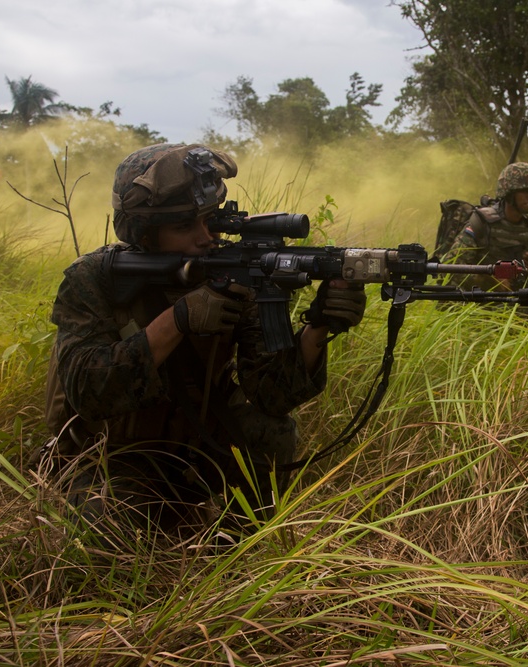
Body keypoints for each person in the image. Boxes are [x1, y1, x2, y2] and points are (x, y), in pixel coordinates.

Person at [44, 142, 367, 534]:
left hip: (199, 444)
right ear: (144, 233)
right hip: (112, 453)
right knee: (102, 534)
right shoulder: (94, 278)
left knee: (272, 431)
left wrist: (318, 329)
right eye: (184, 226)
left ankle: (238, 552)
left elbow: (273, 397)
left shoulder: (235, 273)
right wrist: (179, 319)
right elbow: (89, 392)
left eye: (211, 219)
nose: (206, 237)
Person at [444, 162, 528, 316]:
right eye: (526, 191)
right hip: (474, 308)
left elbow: (527, 283)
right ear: (509, 193)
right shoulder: (482, 223)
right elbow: (449, 269)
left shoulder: (527, 228)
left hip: (510, 308)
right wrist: (489, 281)